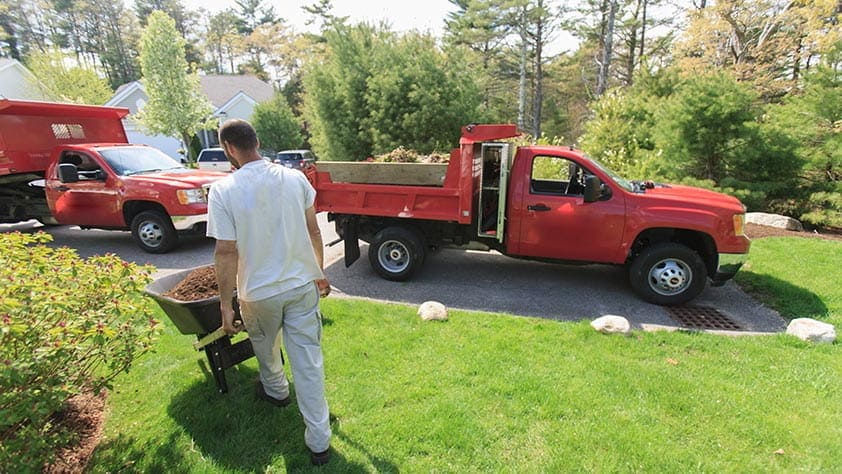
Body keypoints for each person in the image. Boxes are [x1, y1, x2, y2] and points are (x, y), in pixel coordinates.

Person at [206, 119, 332, 466]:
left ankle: (276, 392)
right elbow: (313, 231)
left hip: (258, 293)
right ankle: (319, 442)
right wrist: (318, 273)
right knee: (308, 362)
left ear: (229, 148)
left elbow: (226, 251)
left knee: (266, 347)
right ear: (257, 141)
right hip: (300, 285)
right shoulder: (294, 179)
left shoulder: (223, 190)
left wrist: (225, 305)